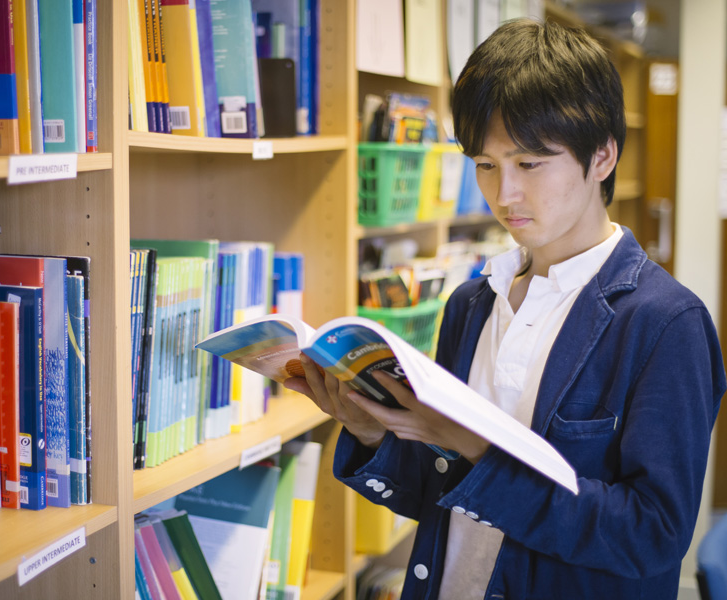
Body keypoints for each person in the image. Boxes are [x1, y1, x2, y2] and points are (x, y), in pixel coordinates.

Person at [283, 17, 727, 600]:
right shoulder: (472, 304)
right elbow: (444, 497)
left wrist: (477, 447)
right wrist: (372, 433)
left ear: (602, 157)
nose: (504, 194)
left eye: (529, 164)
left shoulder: (664, 322)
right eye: (486, 165)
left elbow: (652, 535)